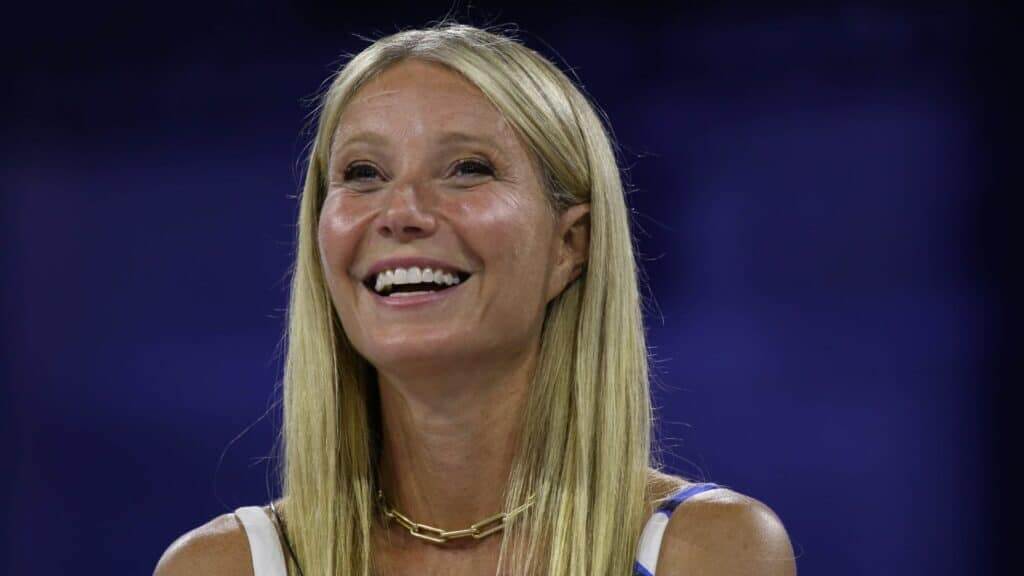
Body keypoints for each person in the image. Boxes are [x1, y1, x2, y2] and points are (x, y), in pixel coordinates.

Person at [154, 21, 796, 576]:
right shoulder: (221, 566)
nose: (401, 212)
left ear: (570, 245)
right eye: (363, 174)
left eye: (467, 168)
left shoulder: (707, 551)